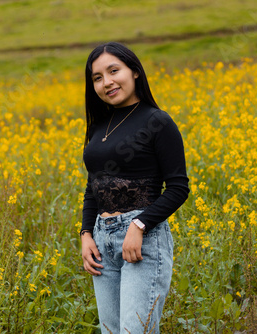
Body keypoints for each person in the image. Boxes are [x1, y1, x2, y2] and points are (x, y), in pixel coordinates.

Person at [80, 42, 189, 334]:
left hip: (142, 240)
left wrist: (139, 225)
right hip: (103, 242)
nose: (107, 82)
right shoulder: (100, 126)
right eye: (98, 78)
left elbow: (178, 187)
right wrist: (86, 233)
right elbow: (94, 186)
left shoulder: (157, 121)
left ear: (135, 71)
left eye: (114, 71)